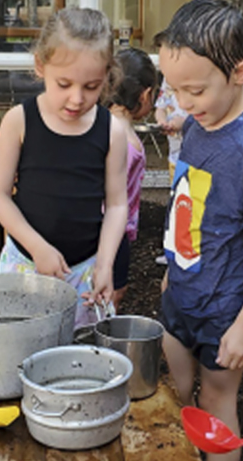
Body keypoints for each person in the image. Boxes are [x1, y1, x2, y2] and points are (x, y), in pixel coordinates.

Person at [155, 0, 243, 461]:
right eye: (174, 89)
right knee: (175, 398)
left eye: (194, 89)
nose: (183, 102)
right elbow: (189, 201)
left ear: (241, 72)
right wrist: (171, 268)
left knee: (216, 406)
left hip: (223, 310)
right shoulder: (200, 119)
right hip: (181, 291)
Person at [0, 8, 128, 329]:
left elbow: (118, 204)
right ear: (40, 65)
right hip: (24, 264)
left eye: (92, 86)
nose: (76, 98)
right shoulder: (18, 121)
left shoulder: (112, 131)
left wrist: (105, 265)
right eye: (64, 83)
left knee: (77, 363)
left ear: (107, 75)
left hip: (84, 272)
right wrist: (38, 247)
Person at [102, 48, 158, 311]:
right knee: (113, 292)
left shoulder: (98, 124)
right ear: (146, 94)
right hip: (114, 232)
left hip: (95, 229)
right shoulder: (127, 141)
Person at [153, 78, 189, 266]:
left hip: (194, 157)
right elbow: (160, 106)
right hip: (174, 156)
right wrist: (161, 121)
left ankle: (186, 252)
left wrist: (185, 123)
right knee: (176, 202)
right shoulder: (168, 79)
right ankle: (173, 251)